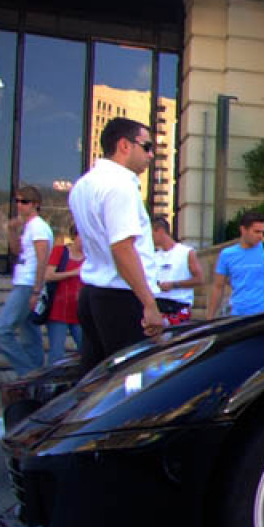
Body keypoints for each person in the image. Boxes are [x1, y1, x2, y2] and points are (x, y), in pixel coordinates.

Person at [67, 117, 163, 374]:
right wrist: (149, 304)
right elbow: (122, 248)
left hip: (94, 293)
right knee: (132, 379)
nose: (151, 155)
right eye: (147, 146)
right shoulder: (120, 185)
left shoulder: (83, 186)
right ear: (124, 145)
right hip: (120, 296)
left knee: (96, 381)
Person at [0, 184, 53, 375]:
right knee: (30, 335)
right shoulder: (28, 227)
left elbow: (43, 259)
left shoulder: (39, 227)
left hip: (28, 284)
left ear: (35, 204)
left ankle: (28, 373)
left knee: (1, 331)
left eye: (24, 201)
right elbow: (17, 251)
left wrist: (37, 290)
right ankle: (36, 377)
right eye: (17, 201)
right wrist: (11, 231)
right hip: (23, 281)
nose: (19, 205)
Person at [208, 210, 264, 319]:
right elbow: (218, 286)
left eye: (262, 232)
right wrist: (209, 318)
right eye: (256, 232)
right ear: (243, 230)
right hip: (237, 314)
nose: (260, 236)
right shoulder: (227, 254)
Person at [42, 225, 84, 365]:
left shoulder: (91, 256)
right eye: (81, 236)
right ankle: (52, 384)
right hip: (58, 308)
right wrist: (73, 273)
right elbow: (49, 275)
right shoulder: (60, 251)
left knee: (85, 348)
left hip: (79, 310)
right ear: (74, 236)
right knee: (57, 351)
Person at [152, 216, 204, 325]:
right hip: (157, 305)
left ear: (160, 230)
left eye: (151, 233)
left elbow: (199, 279)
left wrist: (173, 285)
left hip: (178, 304)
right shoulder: (154, 256)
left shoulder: (186, 252)